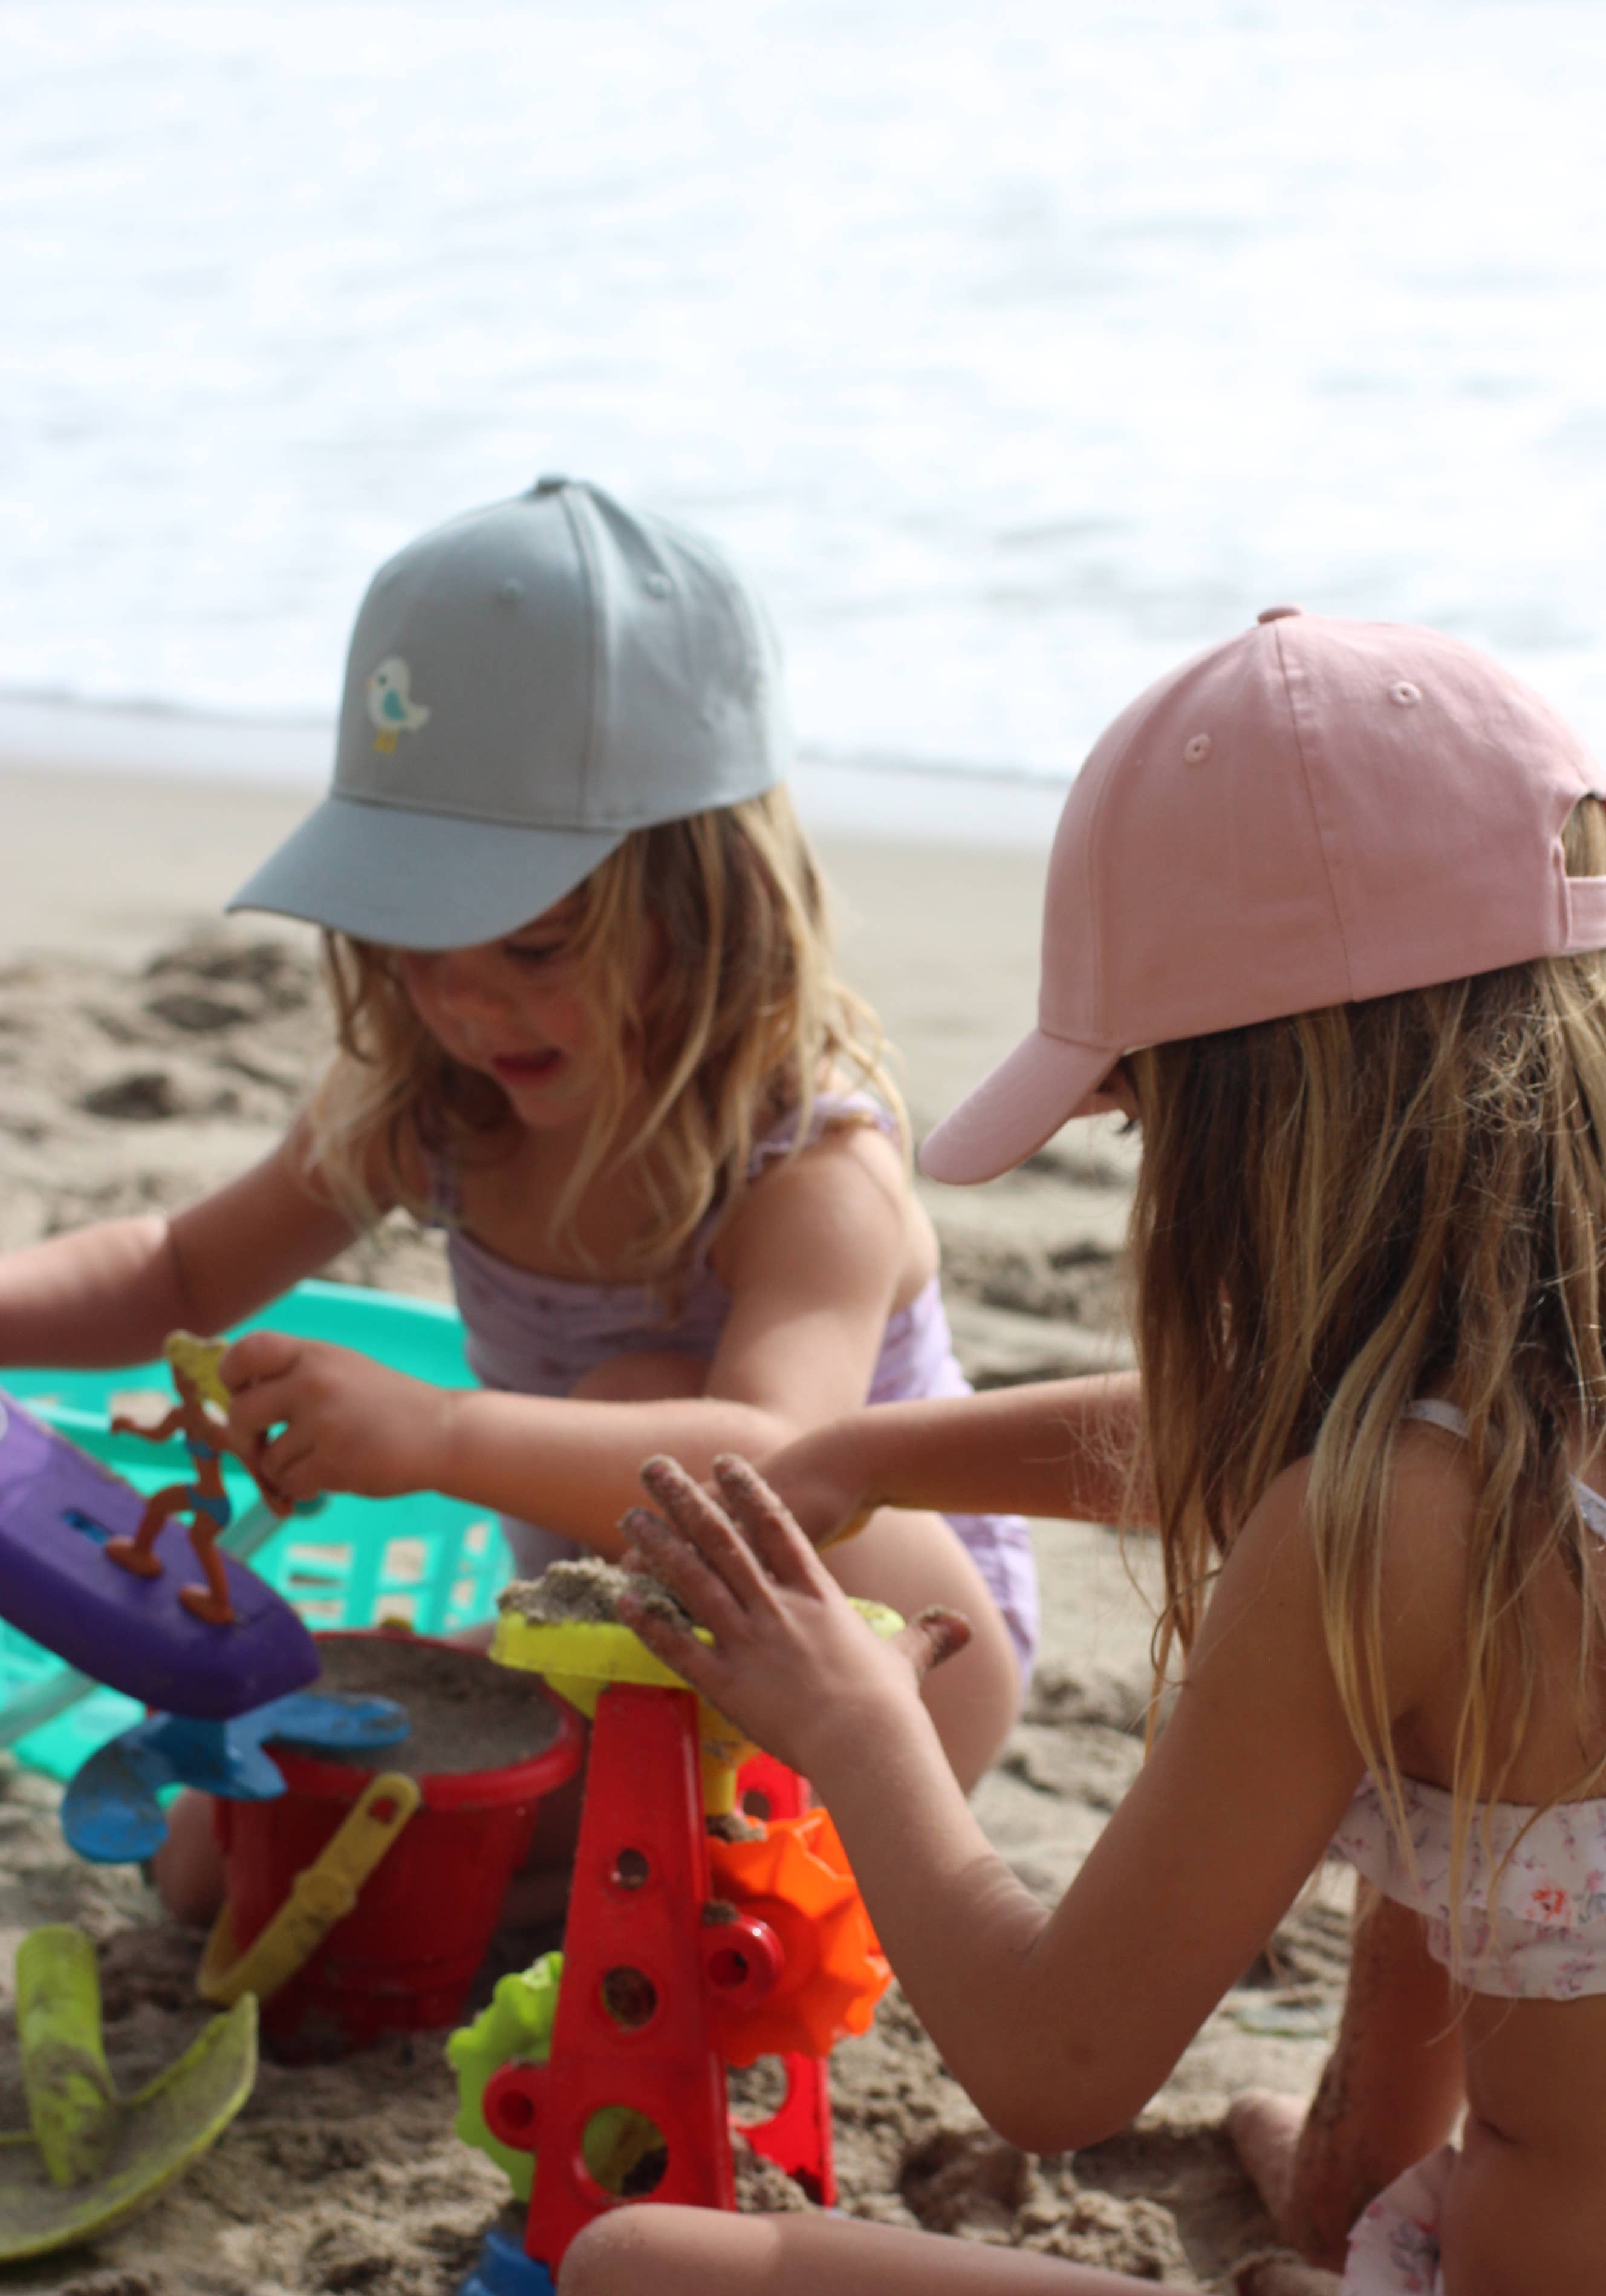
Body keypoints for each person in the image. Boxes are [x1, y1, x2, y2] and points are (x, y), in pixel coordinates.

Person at [547, 610, 1606, 2296]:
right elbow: (1230, 1445)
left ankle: (1370, 2278)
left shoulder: (1370, 1526)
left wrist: (854, 1709)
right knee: (1460, 1878)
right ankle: (1346, 2209)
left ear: (1258, 1121)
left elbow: (1051, 2067)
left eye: (1141, 1123)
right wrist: (876, 1439)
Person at [0, 479, 1034, 1915]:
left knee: (638, 1397)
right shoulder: (430, 1104)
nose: (466, 1000)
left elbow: (779, 1460)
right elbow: (176, 1269)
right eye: (415, 942)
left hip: (892, 1662)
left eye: (537, 943)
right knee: (212, 1854)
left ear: (716, 899)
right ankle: (618, 1862)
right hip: (615, 1641)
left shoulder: (809, 1168)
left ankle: (701, 1860)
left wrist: (435, 1433)